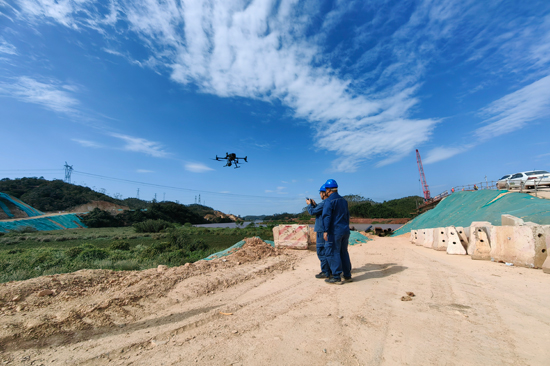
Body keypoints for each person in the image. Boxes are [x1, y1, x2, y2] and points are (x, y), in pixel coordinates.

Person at [321, 179, 351, 285]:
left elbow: (327, 216)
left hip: (335, 231)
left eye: (326, 190)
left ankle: (336, 276)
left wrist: (325, 231)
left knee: (333, 252)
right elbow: (347, 216)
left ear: (328, 190)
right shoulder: (344, 201)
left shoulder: (329, 201)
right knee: (344, 252)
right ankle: (347, 275)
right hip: (345, 230)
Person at [306, 185, 330, 279]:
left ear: (324, 193)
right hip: (325, 230)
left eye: (320, 192)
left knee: (321, 251)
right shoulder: (328, 203)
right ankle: (329, 270)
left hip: (321, 230)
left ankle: (325, 271)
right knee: (327, 251)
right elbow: (318, 211)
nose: (319, 194)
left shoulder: (324, 203)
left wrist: (309, 205)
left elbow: (312, 212)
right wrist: (315, 205)